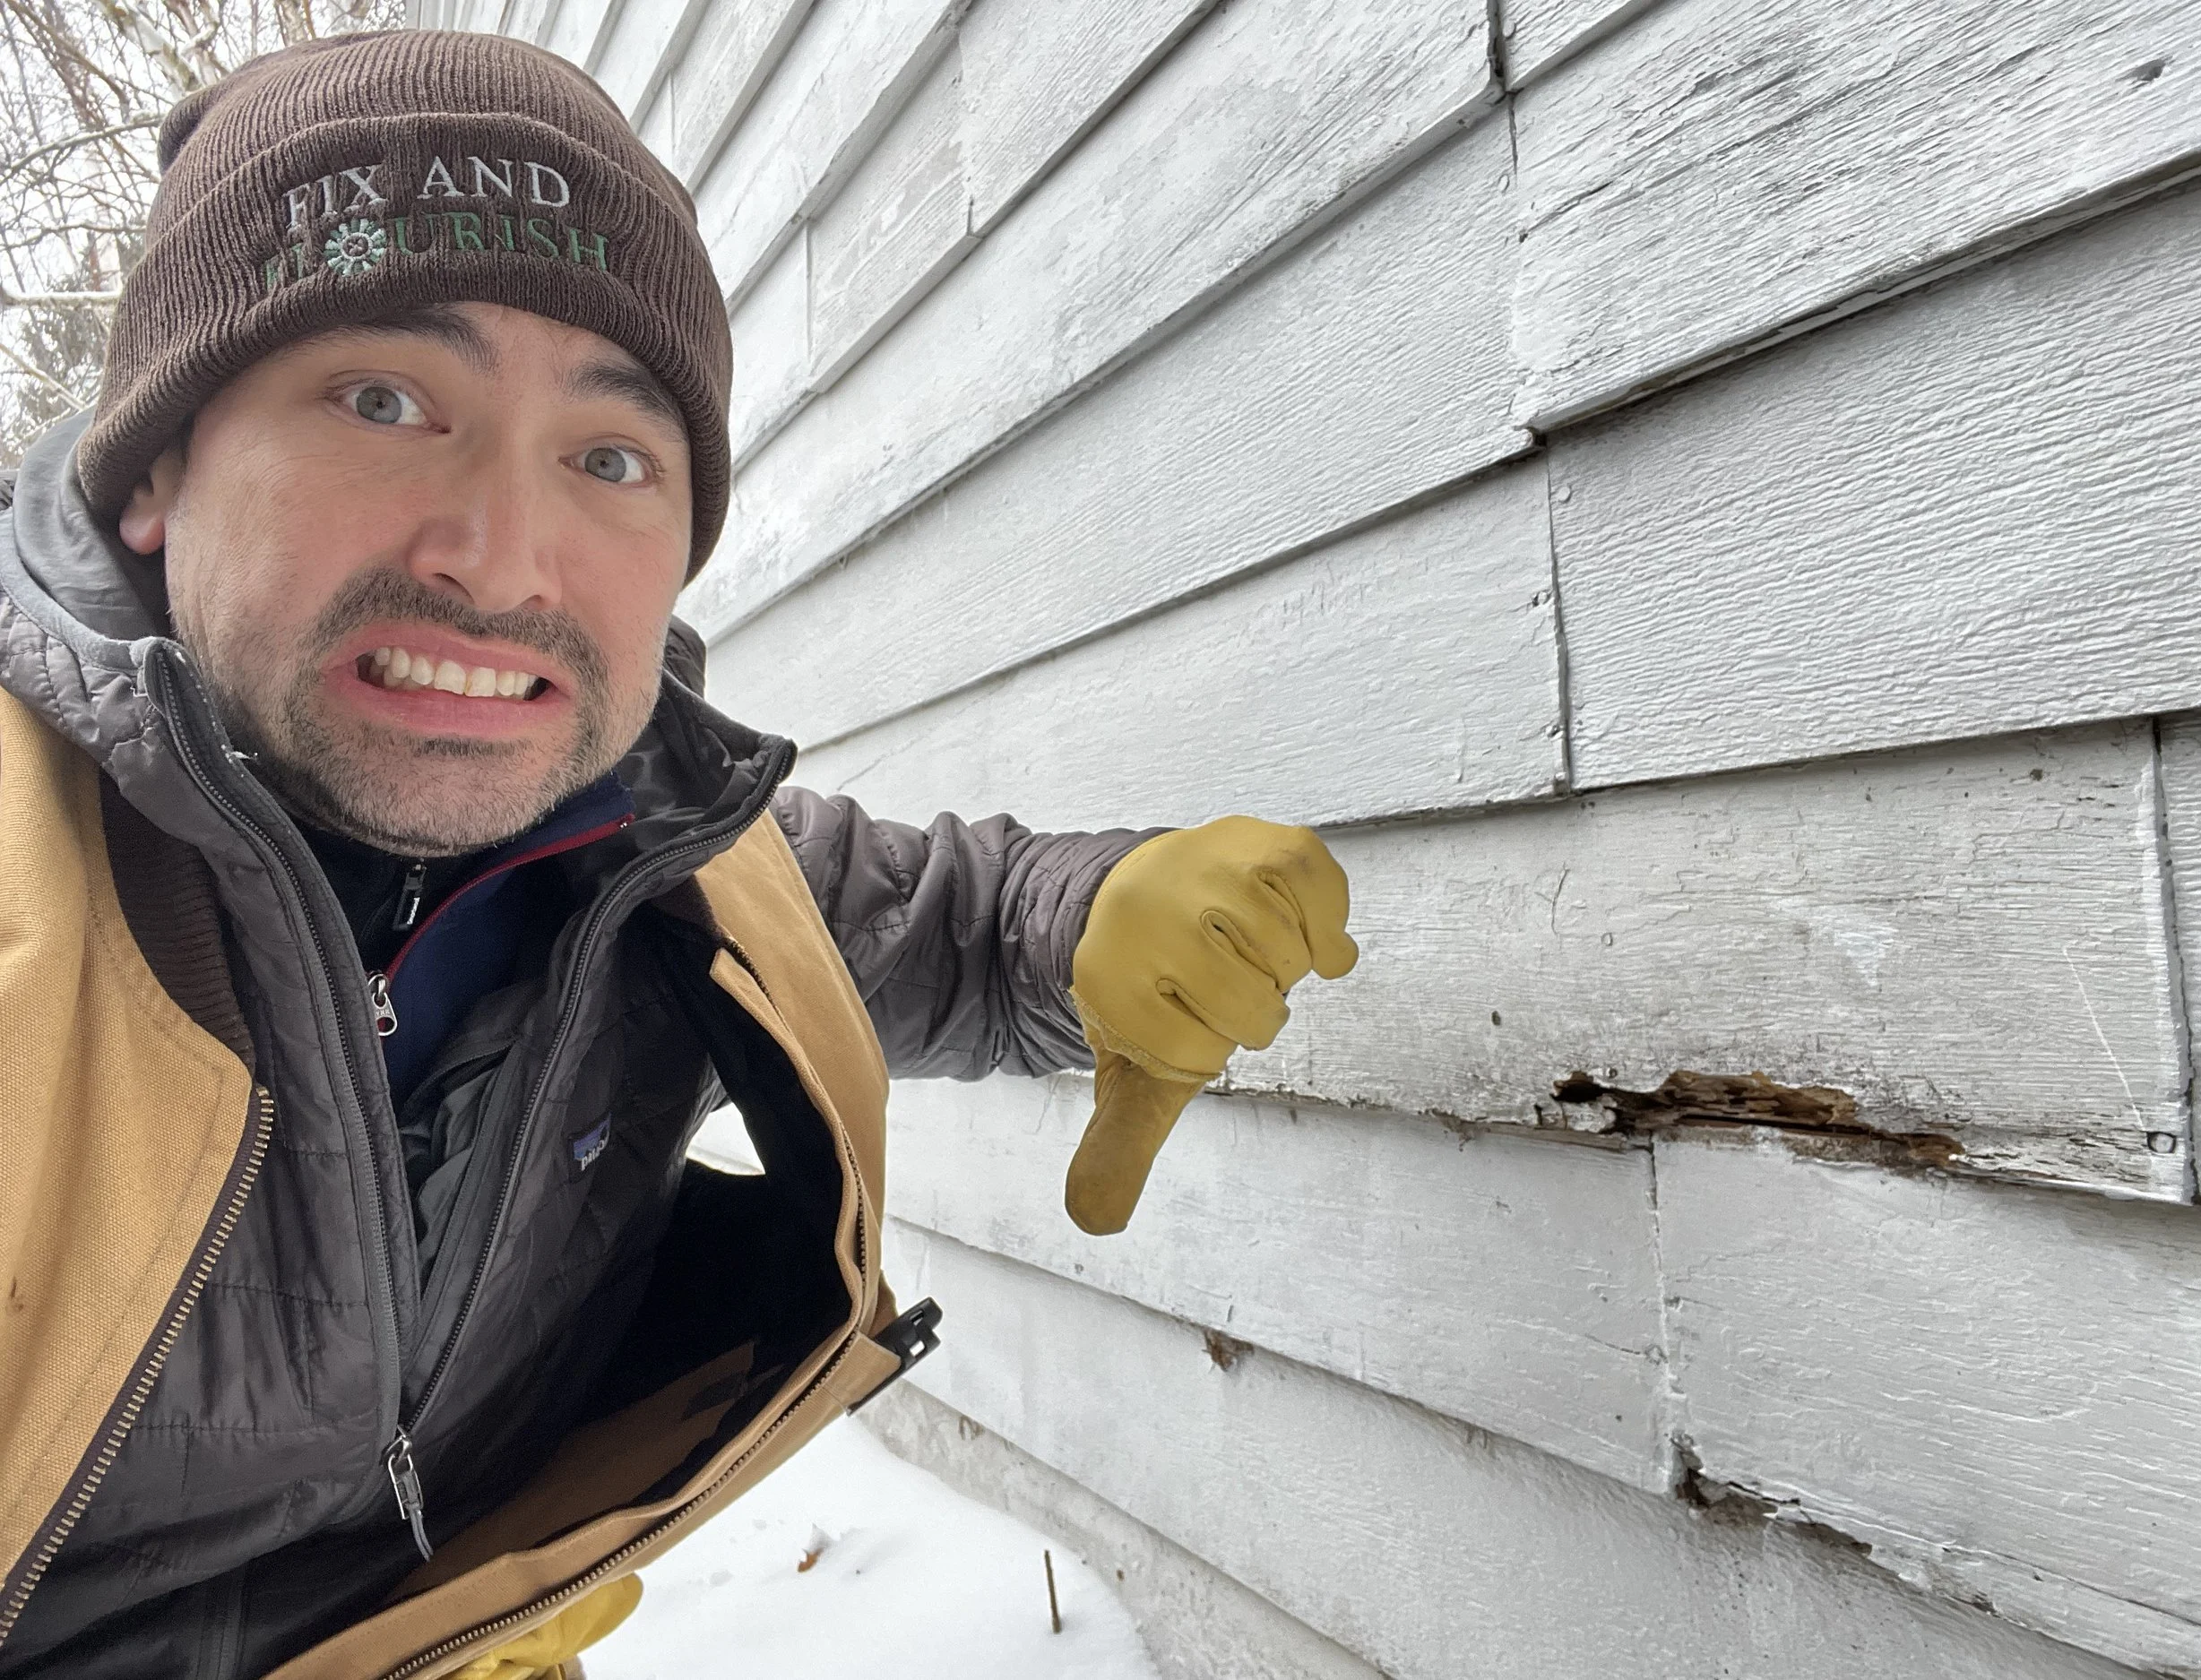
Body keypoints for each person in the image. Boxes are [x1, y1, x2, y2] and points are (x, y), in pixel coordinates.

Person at [0, 28, 1357, 1679]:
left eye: (610, 455)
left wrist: (1099, 921)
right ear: (154, 465)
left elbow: (953, 930)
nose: (502, 559)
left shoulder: (648, 865)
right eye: (383, 399)